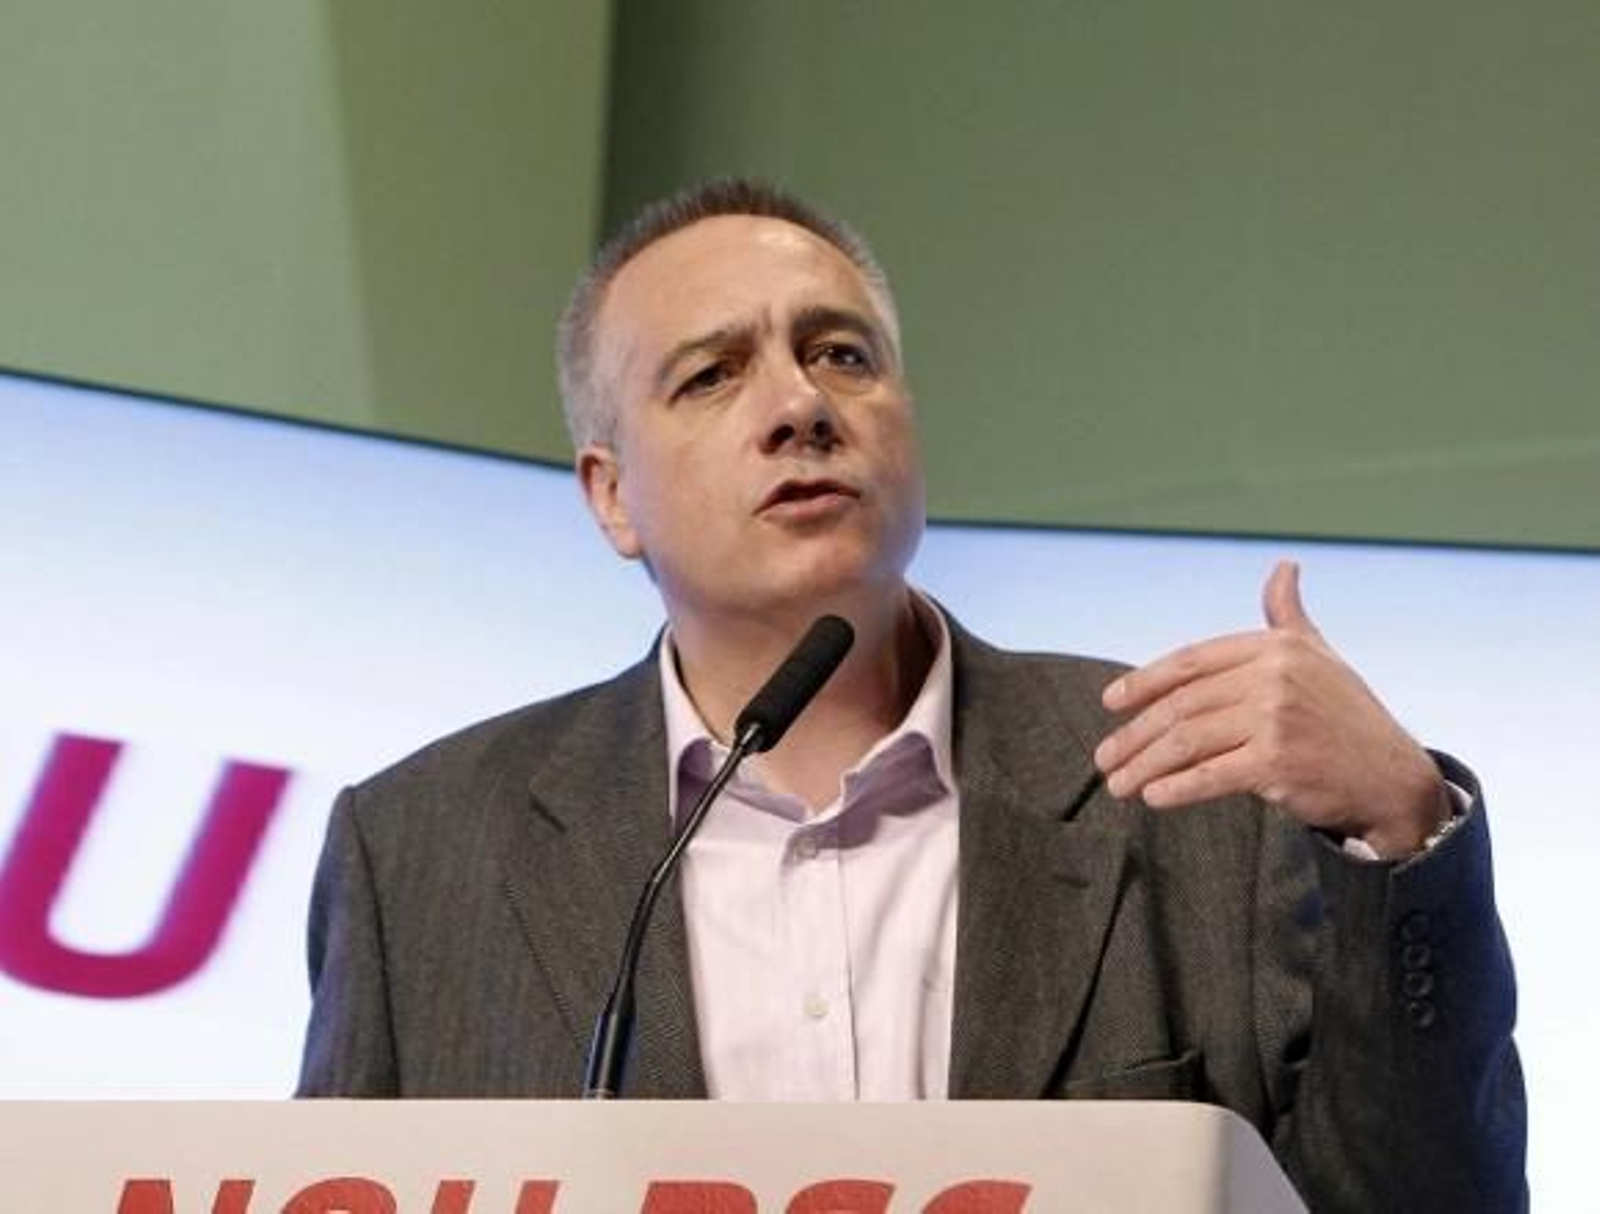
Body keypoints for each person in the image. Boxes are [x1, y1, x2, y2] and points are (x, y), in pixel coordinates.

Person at [297, 179, 1527, 1210]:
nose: (800, 406)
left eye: (842, 354)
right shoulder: (418, 854)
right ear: (611, 495)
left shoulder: (1190, 787)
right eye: (712, 374)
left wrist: (1402, 825)